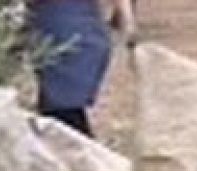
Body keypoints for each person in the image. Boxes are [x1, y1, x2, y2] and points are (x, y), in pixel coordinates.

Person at [29, 0, 137, 137]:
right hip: (67, 24)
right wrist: (127, 23)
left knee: (61, 108)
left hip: (69, 25)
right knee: (60, 108)